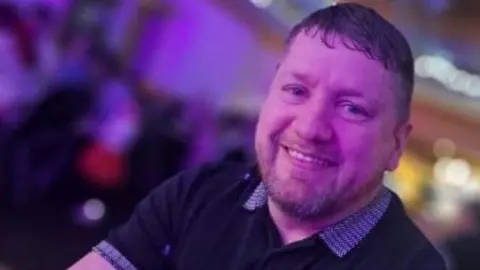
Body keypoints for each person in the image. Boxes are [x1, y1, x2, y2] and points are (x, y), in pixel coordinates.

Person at [70, 3, 446, 269]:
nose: (310, 127)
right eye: (296, 91)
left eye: (352, 108)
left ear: (396, 145)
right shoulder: (197, 195)